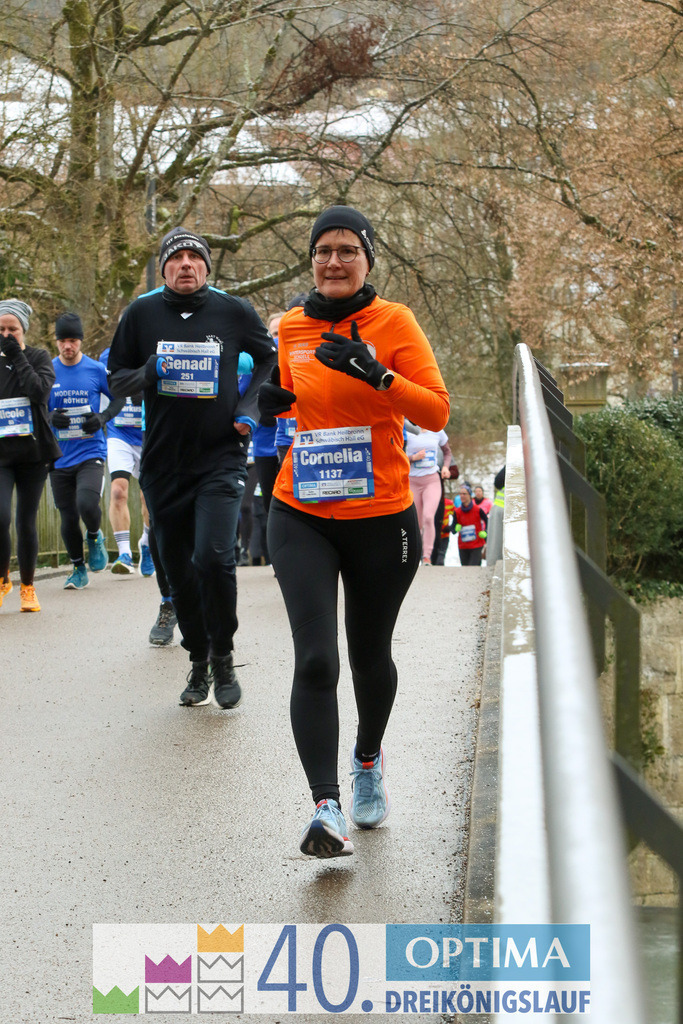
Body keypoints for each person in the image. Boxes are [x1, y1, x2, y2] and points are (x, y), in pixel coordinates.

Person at [259, 205, 449, 858]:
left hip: (381, 517)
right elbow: (286, 394)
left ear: (367, 259)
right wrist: (266, 405)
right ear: (309, 259)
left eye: (347, 250)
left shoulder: (393, 322)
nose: (333, 261)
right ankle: (325, 807)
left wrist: (375, 373)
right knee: (316, 659)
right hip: (301, 510)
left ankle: (367, 759)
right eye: (322, 251)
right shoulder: (289, 326)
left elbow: (434, 408)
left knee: (369, 657)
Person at [106, 226, 276, 708]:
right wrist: (148, 374)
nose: (186, 265)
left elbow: (269, 361)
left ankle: (223, 656)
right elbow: (117, 381)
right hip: (162, 464)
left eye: (195, 258)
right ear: (163, 267)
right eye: (176, 258)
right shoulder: (140, 313)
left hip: (220, 458)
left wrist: (249, 410)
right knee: (179, 572)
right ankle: (198, 660)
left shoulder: (233, 311)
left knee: (216, 556)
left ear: (207, 268)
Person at [48, 313, 124, 589]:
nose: (68, 346)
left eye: (73, 340)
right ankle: (78, 569)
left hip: (90, 450)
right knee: (67, 517)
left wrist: (102, 418)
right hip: (58, 455)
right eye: (63, 341)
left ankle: (94, 535)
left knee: (86, 503)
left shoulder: (95, 370)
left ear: (80, 341)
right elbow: (36, 407)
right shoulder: (48, 369)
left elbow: (120, 397)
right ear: (56, 342)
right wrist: (50, 418)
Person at [0, 299, 61, 612]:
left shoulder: (38, 357)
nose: (7, 334)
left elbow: (39, 393)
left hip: (33, 454)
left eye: (13, 329)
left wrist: (16, 356)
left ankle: (27, 586)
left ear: (24, 330)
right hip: (1, 455)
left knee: (26, 520)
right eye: (1, 329)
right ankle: (2, 579)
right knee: (1, 516)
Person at [98, 347, 154, 575]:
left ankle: (147, 545)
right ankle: (124, 554)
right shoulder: (107, 357)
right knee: (118, 492)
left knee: (148, 496)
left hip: (147, 434)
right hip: (118, 434)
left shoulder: (153, 350)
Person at [404, 424, 453, 565]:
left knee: (428, 517)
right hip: (412, 482)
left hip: (431, 481)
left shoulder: (437, 430)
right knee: (416, 523)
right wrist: (414, 457)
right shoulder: (407, 431)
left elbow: (447, 452)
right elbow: (396, 457)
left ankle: (426, 557)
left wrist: (445, 467)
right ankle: (415, 556)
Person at [452, 482, 488, 566]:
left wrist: (485, 531)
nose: (462, 496)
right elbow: (453, 529)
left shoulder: (478, 509)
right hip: (463, 546)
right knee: (465, 570)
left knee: (474, 568)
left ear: (470, 495)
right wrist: (455, 528)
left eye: (464, 494)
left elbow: (487, 521)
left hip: (476, 545)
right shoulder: (457, 512)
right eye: (460, 494)